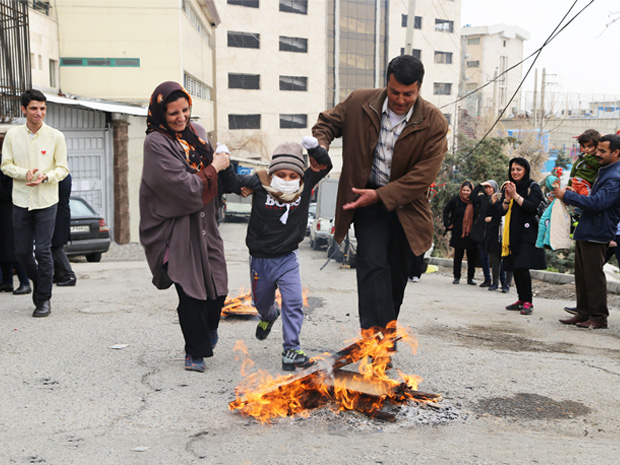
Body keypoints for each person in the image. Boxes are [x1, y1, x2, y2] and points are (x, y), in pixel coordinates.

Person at [311, 55, 448, 342]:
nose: (400, 99)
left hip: (406, 206)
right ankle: (372, 341)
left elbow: (424, 175)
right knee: (372, 266)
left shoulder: (434, 122)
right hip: (365, 202)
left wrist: (382, 195)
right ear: (387, 83)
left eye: (408, 94)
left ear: (419, 89)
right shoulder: (360, 101)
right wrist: (321, 147)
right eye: (394, 92)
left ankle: (385, 333)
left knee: (396, 275)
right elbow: (326, 124)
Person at [139, 81, 230, 373]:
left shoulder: (196, 136)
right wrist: (215, 167)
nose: (180, 117)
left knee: (217, 287)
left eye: (185, 110)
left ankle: (207, 331)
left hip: (205, 224)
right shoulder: (155, 142)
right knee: (190, 289)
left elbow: (217, 178)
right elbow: (185, 187)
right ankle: (195, 352)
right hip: (176, 228)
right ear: (160, 113)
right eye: (172, 112)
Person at [222, 138, 332, 371]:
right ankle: (268, 316)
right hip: (260, 260)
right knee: (262, 304)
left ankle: (291, 349)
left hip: (288, 259)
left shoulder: (306, 184)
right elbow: (230, 182)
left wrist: (313, 149)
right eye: (281, 174)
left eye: (293, 176)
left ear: (300, 176)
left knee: (293, 302)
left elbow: (326, 165)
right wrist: (224, 160)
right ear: (272, 174)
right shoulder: (259, 183)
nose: (287, 180)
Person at [1, 89, 69, 317]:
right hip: (20, 200)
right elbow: (5, 165)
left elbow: (62, 168)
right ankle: (41, 283)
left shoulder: (56, 136)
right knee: (21, 252)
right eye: (33, 108)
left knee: (43, 250)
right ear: (24, 109)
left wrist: (46, 177)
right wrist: (24, 174)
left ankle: (43, 300)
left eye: (42, 108)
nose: (38, 112)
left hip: (46, 200)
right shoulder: (12, 136)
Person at [556, 134, 620, 329]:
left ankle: (599, 317)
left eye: (602, 151)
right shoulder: (605, 170)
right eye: (597, 149)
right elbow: (593, 197)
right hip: (587, 229)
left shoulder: (615, 177)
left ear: (616, 153)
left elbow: (598, 203)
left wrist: (567, 195)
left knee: (593, 276)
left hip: (598, 231)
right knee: (582, 275)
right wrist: (576, 194)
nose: (596, 154)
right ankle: (583, 313)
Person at [500, 157, 546, 315]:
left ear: (525, 170)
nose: (515, 172)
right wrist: (507, 199)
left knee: (521, 266)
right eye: (512, 169)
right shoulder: (510, 187)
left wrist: (515, 196)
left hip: (528, 233)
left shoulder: (533, 187)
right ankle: (521, 299)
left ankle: (528, 302)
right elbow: (502, 211)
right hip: (513, 233)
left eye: (518, 169)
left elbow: (532, 207)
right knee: (515, 266)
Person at [0, 146, 31, 295]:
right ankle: (7, 282)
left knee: (11, 247)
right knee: (4, 247)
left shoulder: (8, 166)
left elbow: (9, 191)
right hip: (5, 210)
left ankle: (25, 282)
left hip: (8, 210)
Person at [443, 181, 478, 285]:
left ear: (472, 191)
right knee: (458, 255)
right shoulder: (456, 200)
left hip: (471, 232)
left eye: (468, 190)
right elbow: (446, 210)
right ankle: (456, 276)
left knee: (472, 257)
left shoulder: (475, 201)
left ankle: (470, 278)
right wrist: (447, 224)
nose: (466, 192)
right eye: (464, 190)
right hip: (458, 231)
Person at [470, 180, 499, 287]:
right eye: (486, 187)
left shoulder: (498, 199)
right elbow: (472, 197)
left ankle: (498, 281)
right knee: (483, 257)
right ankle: (487, 279)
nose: (488, 189)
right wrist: (480, 185)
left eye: (490, 187)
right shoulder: (481, 198)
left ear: (494, 188)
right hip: (481, 232)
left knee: (495, 258)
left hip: (493, 232)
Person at [52, 174, 77, 286]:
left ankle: (69, 275)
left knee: (57, 246)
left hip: (59, 214)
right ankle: (59, 274)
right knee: (54, 245)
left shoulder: (61, 176)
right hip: (61, 213)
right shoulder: (65, 176)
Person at [568, 129, 601, 196]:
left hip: (589, 185)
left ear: (597, 145)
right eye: (583, 146)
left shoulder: (598, 158)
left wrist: (587, 158)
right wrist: (569, 186)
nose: (586, 149)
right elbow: (573, 172)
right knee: (587, 201)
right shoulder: (582, 158)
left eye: (589, 146)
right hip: (580, 183)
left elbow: (598, 165)